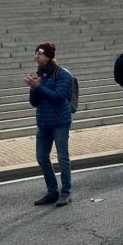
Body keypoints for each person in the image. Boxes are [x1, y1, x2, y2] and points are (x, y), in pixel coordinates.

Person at [25, 42, 73, 207]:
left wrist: (38, 86)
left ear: (49, 56)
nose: (36, 56)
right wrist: (33, 88)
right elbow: (34, 102)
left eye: (40, 54)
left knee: (62, 158)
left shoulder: (63, 74)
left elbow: (58, 97)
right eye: (36, 53)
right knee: (41, 157)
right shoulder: (40, 73)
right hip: (44, 123)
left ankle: (66, 191)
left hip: (60, 122)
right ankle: (52, 191)